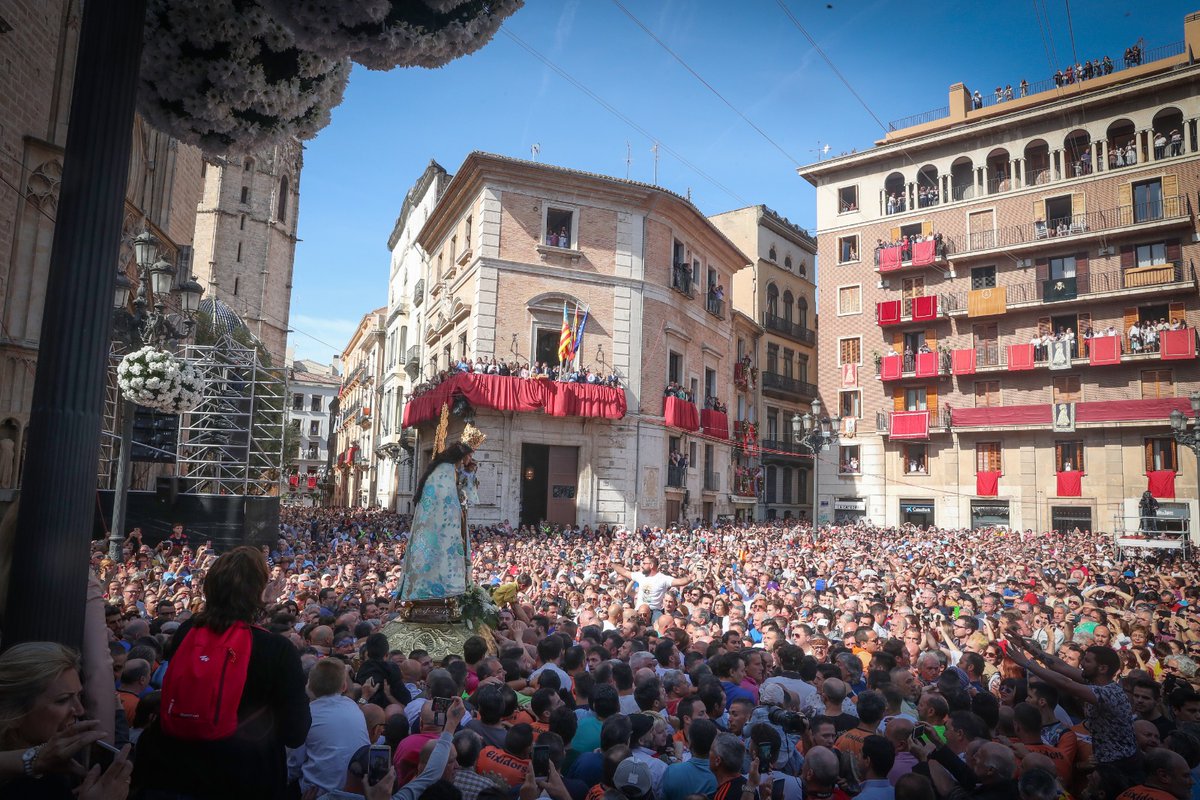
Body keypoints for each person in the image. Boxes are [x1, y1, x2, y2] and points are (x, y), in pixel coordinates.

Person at [133, 545, 311, 799]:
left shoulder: (186, 632)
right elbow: (296, 733)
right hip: (246, 778)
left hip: (176, 773)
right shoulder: (278, 650)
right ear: (258, 593)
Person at [0, 642, 133, 799]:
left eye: (79, 696)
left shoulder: (56, 765)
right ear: (13, 713)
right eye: (63, 700)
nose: (79, 710)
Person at [397, 426, 486, 602]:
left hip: (454, 521)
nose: (470, 459)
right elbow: (446, 499)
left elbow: (470, 496)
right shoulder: (444, 469)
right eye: (469, 455)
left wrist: (468, 474)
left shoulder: (454, 470)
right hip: (441, 524)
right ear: (462, 454)